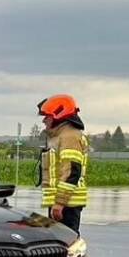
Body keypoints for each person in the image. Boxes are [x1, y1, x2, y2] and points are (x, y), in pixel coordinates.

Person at [37, 94, 89, 233]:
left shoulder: (69, 137)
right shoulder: (61, 136)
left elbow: (72, 171)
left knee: (65, 244)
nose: (44, 120)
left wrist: (60, 203)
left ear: (58, 115)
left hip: (66, 204)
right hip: (63, 202)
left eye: (47, 116)